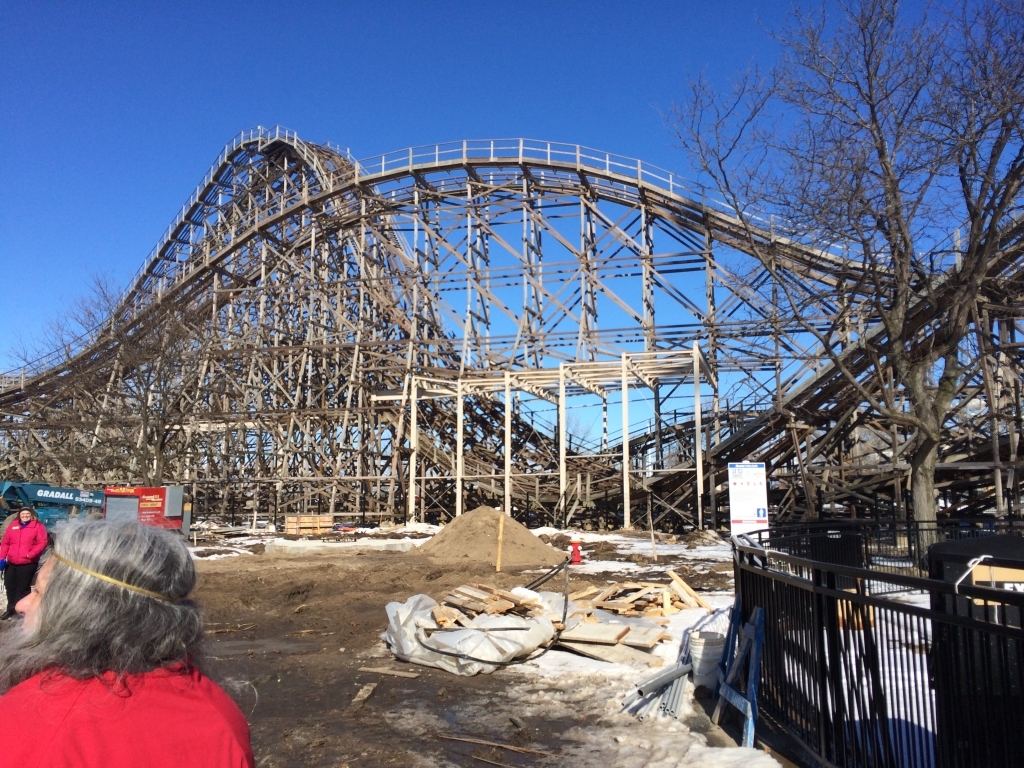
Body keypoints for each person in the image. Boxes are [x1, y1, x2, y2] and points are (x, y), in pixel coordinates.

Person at [0, 521, 254, 767]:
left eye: (41, 593)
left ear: (85, 615)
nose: (22, 605)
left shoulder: (30, 721)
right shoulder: (219, 716)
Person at [0, 506, 48, 619]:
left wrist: (30, 554)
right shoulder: (13, 525)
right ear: (19, 515)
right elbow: (5, 543)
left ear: (31, 515)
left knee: (22, 588)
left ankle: (20, 612)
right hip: (11, 562)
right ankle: (10, 609)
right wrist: (2, 558)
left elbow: (42, 542)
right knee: (10, 586)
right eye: (23, 514)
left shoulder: (38, 526)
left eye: (27, 514)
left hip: (27, 563)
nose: (25, 516)